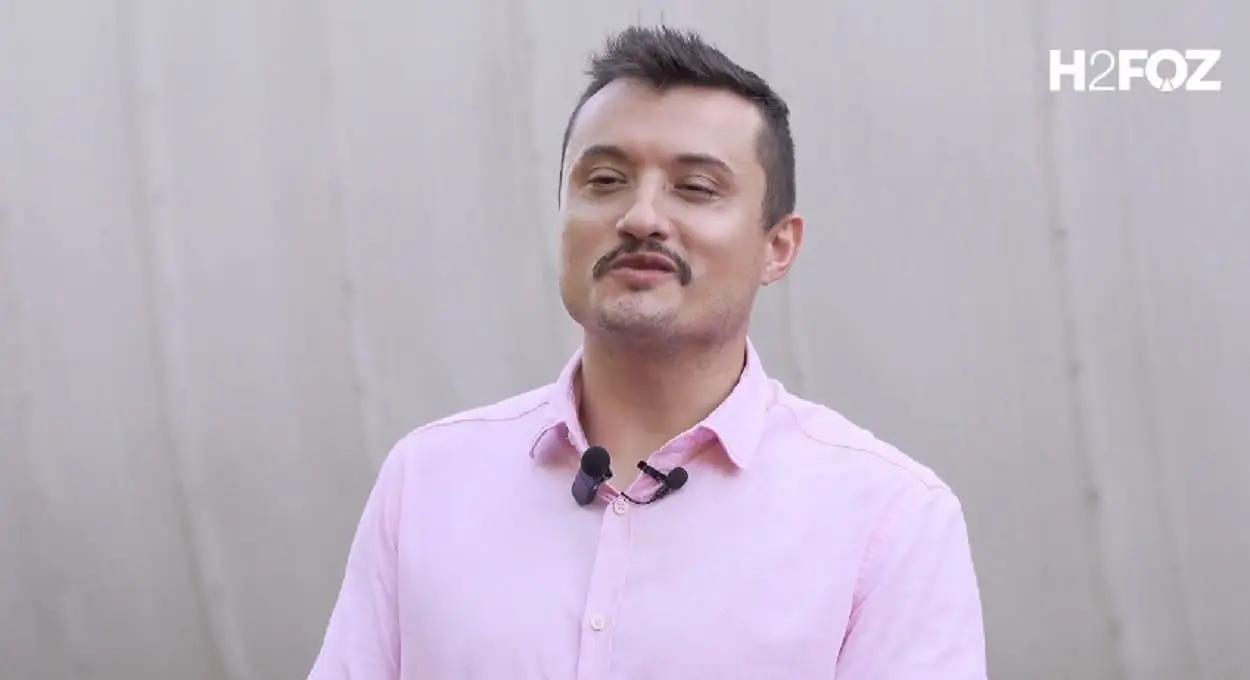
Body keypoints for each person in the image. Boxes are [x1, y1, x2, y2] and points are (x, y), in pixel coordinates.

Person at [308, 25, 987, 680]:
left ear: (777, 246)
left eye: (695, 188)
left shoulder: (886, 519)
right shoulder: (428, 483)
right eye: (605, 180)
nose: (640, 218)